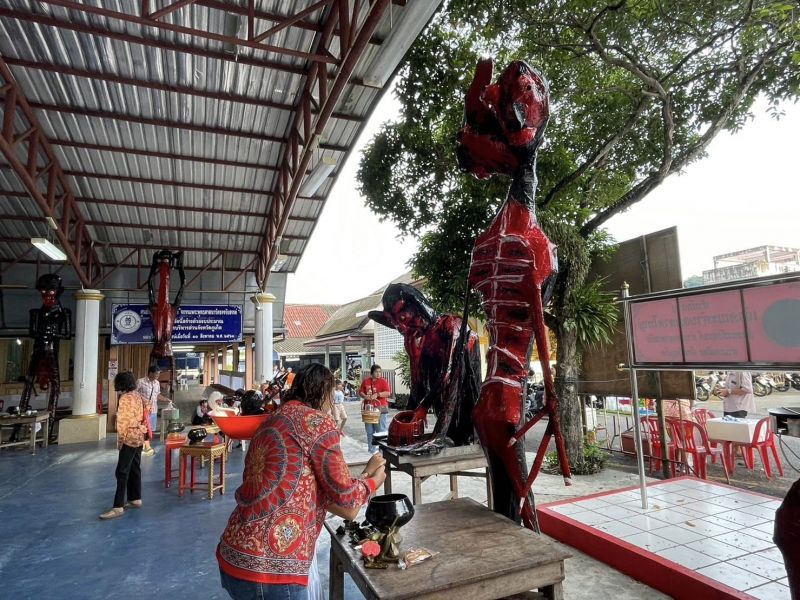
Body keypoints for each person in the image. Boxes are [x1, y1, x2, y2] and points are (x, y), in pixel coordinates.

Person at [217, 363, 386, 600]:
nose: (331, 405)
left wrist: (364, 475)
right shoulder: (316, 423)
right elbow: (347, 501)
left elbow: (305, 486)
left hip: (235, 552)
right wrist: (373, 481)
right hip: (274, 567)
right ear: (325, 393)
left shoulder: (271, 420)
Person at [100, 372, 148, 520]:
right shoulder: (138, 396)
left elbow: (123, 423)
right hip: (140, 436)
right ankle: (135, 498)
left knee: (122, 471)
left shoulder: (125, 398)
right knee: (135, 467)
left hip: (129, 437)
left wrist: (120, 441)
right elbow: (148, 407)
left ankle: (118, 506)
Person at [137, 365, 169, 456]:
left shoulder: (157, 383)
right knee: (144, 428)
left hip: (153, 409)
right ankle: (144, 447)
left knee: (151, 429)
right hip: (143, 410)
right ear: (150, 373)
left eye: (158, 374)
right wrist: (144, 400)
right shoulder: (140, 381)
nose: (157, 376)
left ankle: (145, 447)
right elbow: (134, 393)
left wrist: (165, 399)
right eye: (156, 374)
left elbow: (157, 395)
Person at [359, 364, 391, 454]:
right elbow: (360, 391)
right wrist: (365, 396)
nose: (378, 373)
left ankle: (382, 451)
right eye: (376, 371)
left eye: (379, 372)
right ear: (372, 372)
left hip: (380, 408)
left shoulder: (383, 381)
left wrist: (378, 394)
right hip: (368, 408)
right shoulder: (366, 381)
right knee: (369, 431)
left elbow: (388, 393)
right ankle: (371, 450)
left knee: (381, 430)